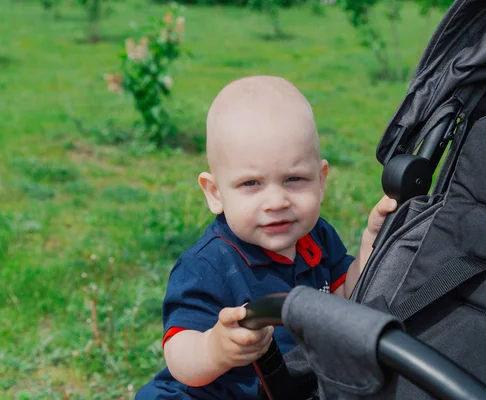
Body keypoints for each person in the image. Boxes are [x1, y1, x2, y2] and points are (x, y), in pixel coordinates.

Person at [136, 75, 397, 399]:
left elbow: (343, 300)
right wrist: (216, 348)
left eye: (294, 179)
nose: (276, 202)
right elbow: (179, 357)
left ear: (321, 180)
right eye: (251, 184)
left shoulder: (318, 238)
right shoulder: (208, 265)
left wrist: (372, 241)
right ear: (215, 193)